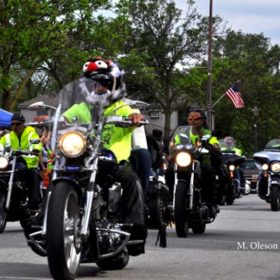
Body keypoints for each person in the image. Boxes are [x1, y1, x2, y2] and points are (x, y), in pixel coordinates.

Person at [62, 57, 147, 256]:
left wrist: (136, 118)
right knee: (60, 175)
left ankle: (135, 232)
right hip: (84, 159)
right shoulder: (81, 108)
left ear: (112, 85)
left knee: (133, 181)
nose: (98, 87)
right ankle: (45, 221)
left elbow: (135, 114)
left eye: (103, 83)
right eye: (94, 84)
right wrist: (51, 121)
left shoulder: (121, 108)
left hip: (114, 161)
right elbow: (64, 118)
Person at [0, 113, 43, 213]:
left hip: (29, 163)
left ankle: (34, 204)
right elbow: (1, 144)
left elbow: (36, 143)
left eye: (17, 124)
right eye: (12, 124)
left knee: (34, 175)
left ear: (23, 124)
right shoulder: (8, 136)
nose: (14, 127)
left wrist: (35, 150)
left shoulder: (31, 134)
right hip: (13, 163)